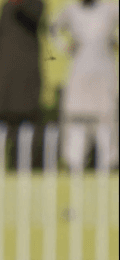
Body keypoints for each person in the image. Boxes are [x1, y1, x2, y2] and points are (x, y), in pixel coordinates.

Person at [50, 0, 119, 170]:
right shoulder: (71, 10)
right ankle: (74, 161)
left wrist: (115, 41)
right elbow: (53, 28)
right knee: (76, 118)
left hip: (104, 70)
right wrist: (66, 47)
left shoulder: (110, 9)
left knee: (106, 117)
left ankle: (109, 161)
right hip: (79, 70)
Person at [0, 0, 46, 169]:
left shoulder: (36, 4)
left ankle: (32, 163)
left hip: (27, 74)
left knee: (30, 120)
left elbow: (33, 19)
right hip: (6, 73)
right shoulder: (6, 6)